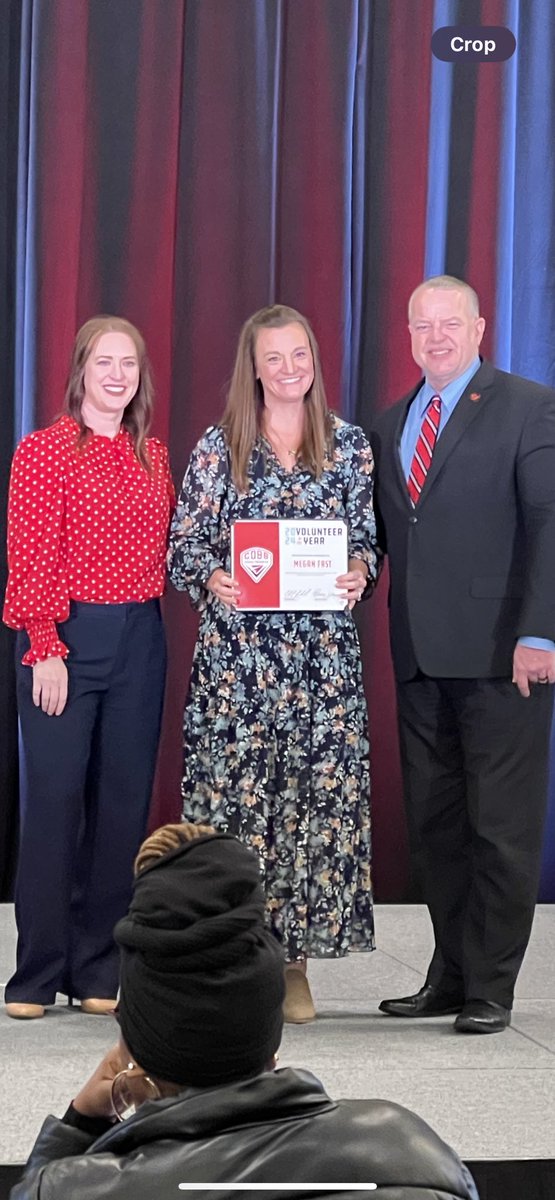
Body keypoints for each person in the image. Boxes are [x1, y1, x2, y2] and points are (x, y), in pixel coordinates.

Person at [10, 822, 479, 1200]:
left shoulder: (75, 1187)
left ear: (131, 1044)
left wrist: (80, 1126)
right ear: (270, 1034)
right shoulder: (414, 1152)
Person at [168, 304, 380, 1024]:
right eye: (274, 358)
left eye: (299, 356)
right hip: (239, 669)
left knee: (311, 812)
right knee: (236, 814)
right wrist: (212, 578)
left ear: (313, 361)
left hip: (321, 669)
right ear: (251, 369)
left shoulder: (348, 445)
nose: (289, 370)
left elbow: (367, 542)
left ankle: (292, 967)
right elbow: (183, 548)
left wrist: (356, 568)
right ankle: (230, 959)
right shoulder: (217, 445)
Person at [370, 275, 555, 1034]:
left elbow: (548, 523)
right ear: (408, 334)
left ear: (479, 328)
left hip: (499, 656)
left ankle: (491, 987)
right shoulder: (389, 424)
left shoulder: (525, 405)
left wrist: (539, 633)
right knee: (437, 828)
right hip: (417, 657)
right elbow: (385, 536)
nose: (435, 337)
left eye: (450, 323)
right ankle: (447, 974)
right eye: (422, 325)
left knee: (499, 829)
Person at [3, 315, 175, 1020]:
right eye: (104, 361)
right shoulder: (43, 451)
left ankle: (98, 966)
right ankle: (37, 973)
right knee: (53, 804)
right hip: (66, 635)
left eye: (128, 363)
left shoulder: (154, 455)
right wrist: (44, 643)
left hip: (141, 635)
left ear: (140, 376)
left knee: (121, 809)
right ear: (80, 371)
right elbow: (29, 549)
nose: (116, 374)